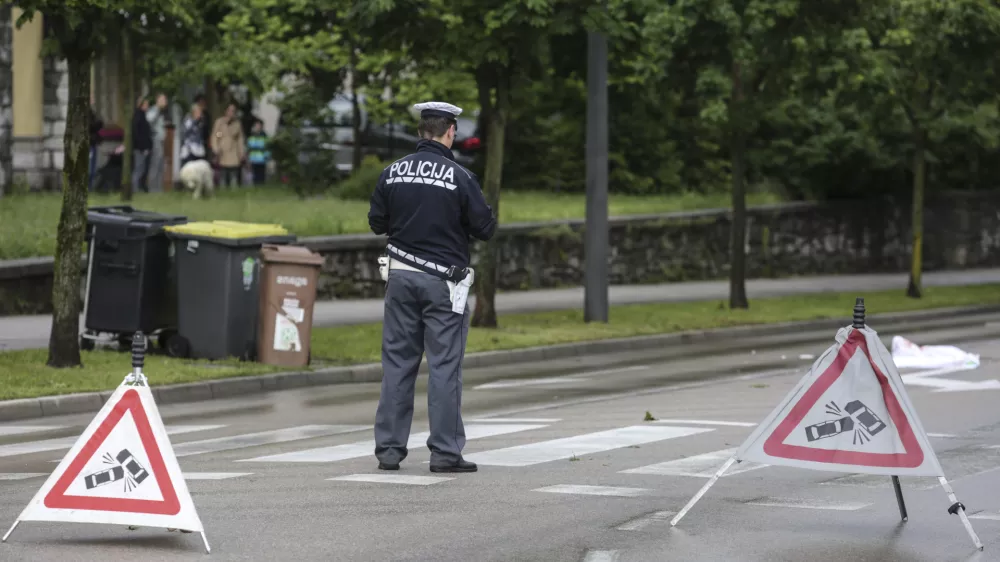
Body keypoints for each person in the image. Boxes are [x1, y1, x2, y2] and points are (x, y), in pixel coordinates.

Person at [368, 101, 497, 474]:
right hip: (444, 283)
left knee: (397, 365)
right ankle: (444, 453)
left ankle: (389, 451)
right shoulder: (460, 176)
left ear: (421, 132)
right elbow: (485, 228)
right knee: (444, 366)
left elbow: (377, 222)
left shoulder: (392, 172)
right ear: (450, 131)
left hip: (400, 278)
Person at [211, 102, 246, 187]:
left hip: (234, 152)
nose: (232, 113)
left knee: (233, 176)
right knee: (222, 175)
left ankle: (233, 193)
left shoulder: (237, 124)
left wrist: (242, 152)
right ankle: (223, 192)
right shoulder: (219, 122)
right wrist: (216, 149)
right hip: (222, 152)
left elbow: (240, 139)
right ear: (226, 111)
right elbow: (216, 136)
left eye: (233, 111)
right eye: (230, 111)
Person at [145, 93, 169, 192]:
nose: (165, 102)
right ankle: (152, 188)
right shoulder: (154, 110)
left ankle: (159, 188)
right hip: (155, 140)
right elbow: (149, 120)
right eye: (163, 100)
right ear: (158, 100)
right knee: (155, 164)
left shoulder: (161, 112)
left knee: (160, 164)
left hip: (161, 140)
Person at [131, 96, 152, 193]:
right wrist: (142, 147)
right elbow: (139, 134)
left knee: (141, 168)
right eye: (146, 104)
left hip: (143, 147)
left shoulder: (142, 116)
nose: (148, 106)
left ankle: (138, 188)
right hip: (140, 148)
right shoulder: (139, 117)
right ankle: (134, 189)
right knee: (139, 169)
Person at [246, 118, 270, 185]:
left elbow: (267, 148)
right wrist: (248, 159)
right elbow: (248, 148)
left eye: (259, 125)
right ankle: (255, 188)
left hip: (262, 159)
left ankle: (261, 188)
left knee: (261, 176)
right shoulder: (251, 136)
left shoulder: (265, 136)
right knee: (254, 177)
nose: (258, 127)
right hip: (253, 159)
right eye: (256, 125)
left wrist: (267, 156)